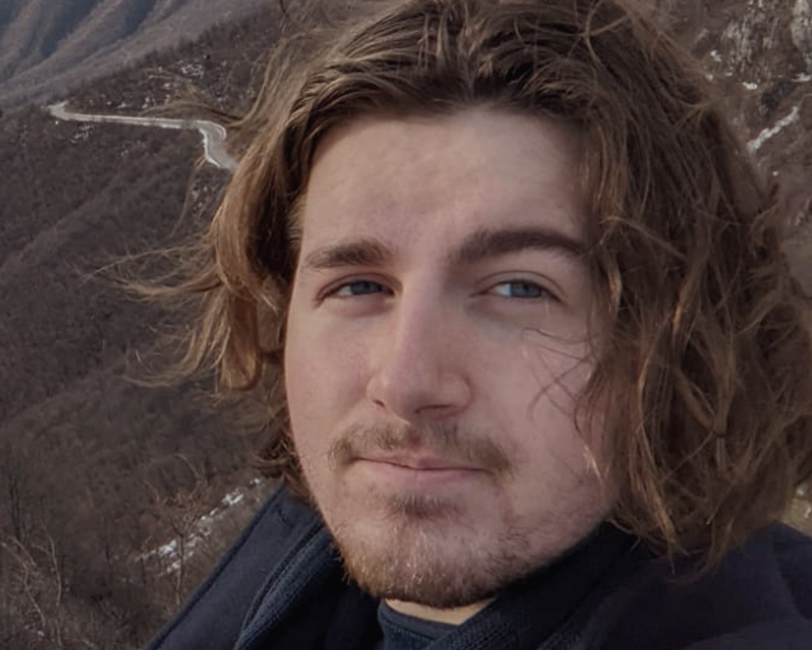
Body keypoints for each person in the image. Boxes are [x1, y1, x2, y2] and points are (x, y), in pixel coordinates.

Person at [143, 0, 812, 647]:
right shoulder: (286, 579)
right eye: (358, 285)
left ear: (679, 337)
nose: (405, 381)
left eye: (520, 289)